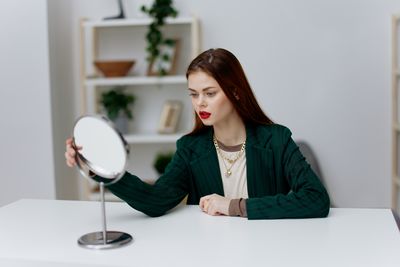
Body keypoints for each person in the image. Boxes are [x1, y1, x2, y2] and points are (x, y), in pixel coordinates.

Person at [65, 48, 330, 220]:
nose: (199, 103)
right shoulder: (190, 149)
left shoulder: (276, 140)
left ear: (236, 92)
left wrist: (234, 206)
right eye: (193, 94)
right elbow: (156, 200)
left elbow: (316, 199)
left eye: (210, 93)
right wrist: (97, 169)